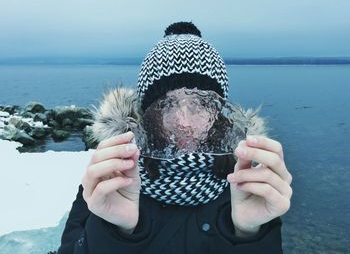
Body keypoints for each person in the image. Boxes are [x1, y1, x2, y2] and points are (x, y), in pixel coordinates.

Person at [57, 22, 292, 254]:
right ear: (147, 114)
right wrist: (114, 231)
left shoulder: (246, 182)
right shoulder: (112, 179)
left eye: (200, 103)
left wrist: (249, 233)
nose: (184, 122)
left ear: (218, 111)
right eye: (167, 104)